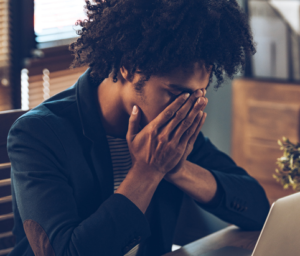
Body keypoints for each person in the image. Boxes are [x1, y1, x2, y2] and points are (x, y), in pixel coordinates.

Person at [7, 0, 270, 255]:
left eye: (199, 93)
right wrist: (149, 170)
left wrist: (179, 170)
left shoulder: (168, 131)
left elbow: (258, 209)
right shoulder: (37, 135)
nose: (189, 107)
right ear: (129, 67)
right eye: (175, 92)